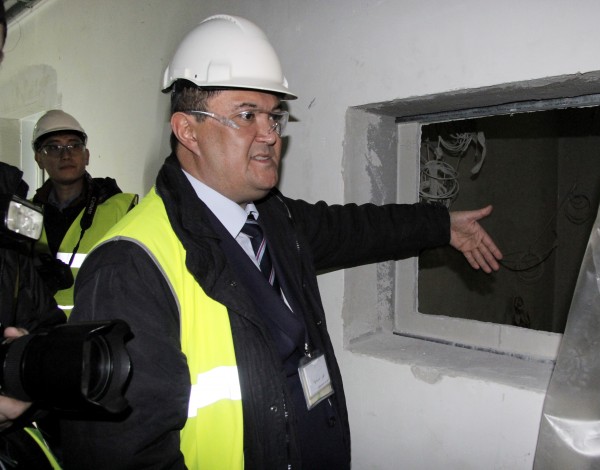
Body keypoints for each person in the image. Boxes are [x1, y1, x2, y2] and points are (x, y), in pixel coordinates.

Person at [60, 14, 503, 469]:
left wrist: (441, 224)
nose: (270, 134)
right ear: (188, 131)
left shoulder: (273, 218)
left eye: (274, 116)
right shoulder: (130, 267)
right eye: (247, 115)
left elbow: (356, 229)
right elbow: (124, 454)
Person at [0, 4, 65, 468]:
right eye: (53, 147)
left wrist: (34, 356)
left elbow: (35, 315)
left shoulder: (13, 208)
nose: (66, 155)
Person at [31, 110, 138, 315]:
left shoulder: (122, 209)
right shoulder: (23, 214)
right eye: (53, 147)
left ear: (86, 156)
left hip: (97, 330)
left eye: (74, 145)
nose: (66, 155)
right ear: (39, 159)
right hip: (37, 330)